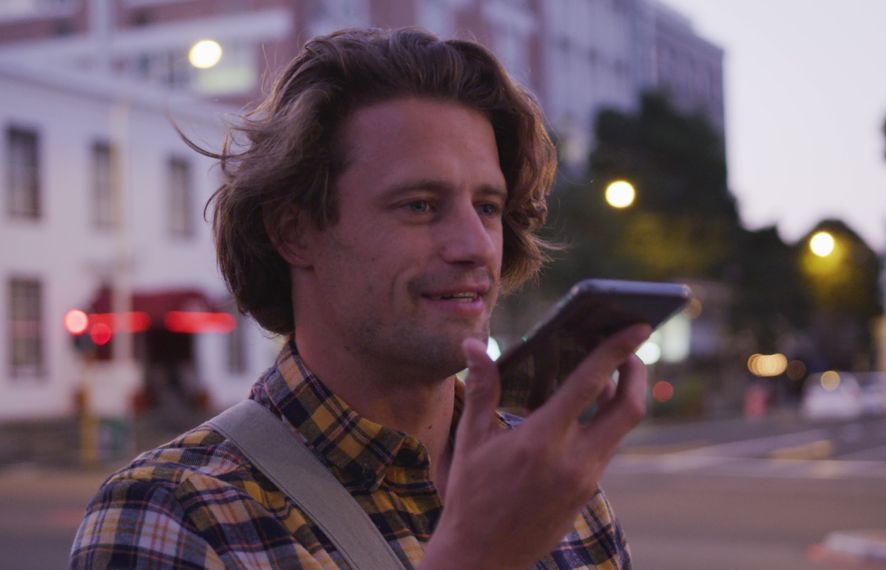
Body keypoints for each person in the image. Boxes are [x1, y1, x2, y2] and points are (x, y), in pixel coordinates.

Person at [70, 27, 650, 569]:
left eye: (488, 207)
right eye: (420, 204)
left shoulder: (548, 485)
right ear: (294, 231)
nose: (476, 246)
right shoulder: (171, 512)